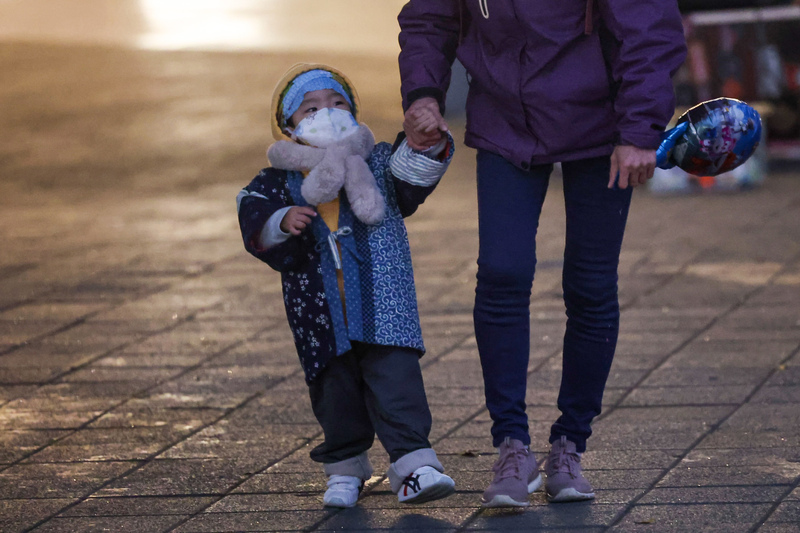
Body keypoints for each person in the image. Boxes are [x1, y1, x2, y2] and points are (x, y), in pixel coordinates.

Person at [397, 1, 687, 507]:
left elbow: (648, 27)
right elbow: (429, 16)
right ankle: (511, 445)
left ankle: (569, 446)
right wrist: (423, 92)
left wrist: (640, 129)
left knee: (590, 284)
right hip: (506, 119)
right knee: (501, 273)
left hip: (602, 122)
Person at [236, 64, 456, 508]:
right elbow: (251, 213)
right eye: (311, 108)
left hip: (383, 304)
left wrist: (423, 146)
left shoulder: (376, 160)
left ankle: (414, 465)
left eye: (338, 103)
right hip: (319, 311)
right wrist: (281, 221)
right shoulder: (278, 180)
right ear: (287, 124)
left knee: (397, 383)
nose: (327, 113)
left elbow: (409, 182)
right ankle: (345, 467)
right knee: (334, 391)